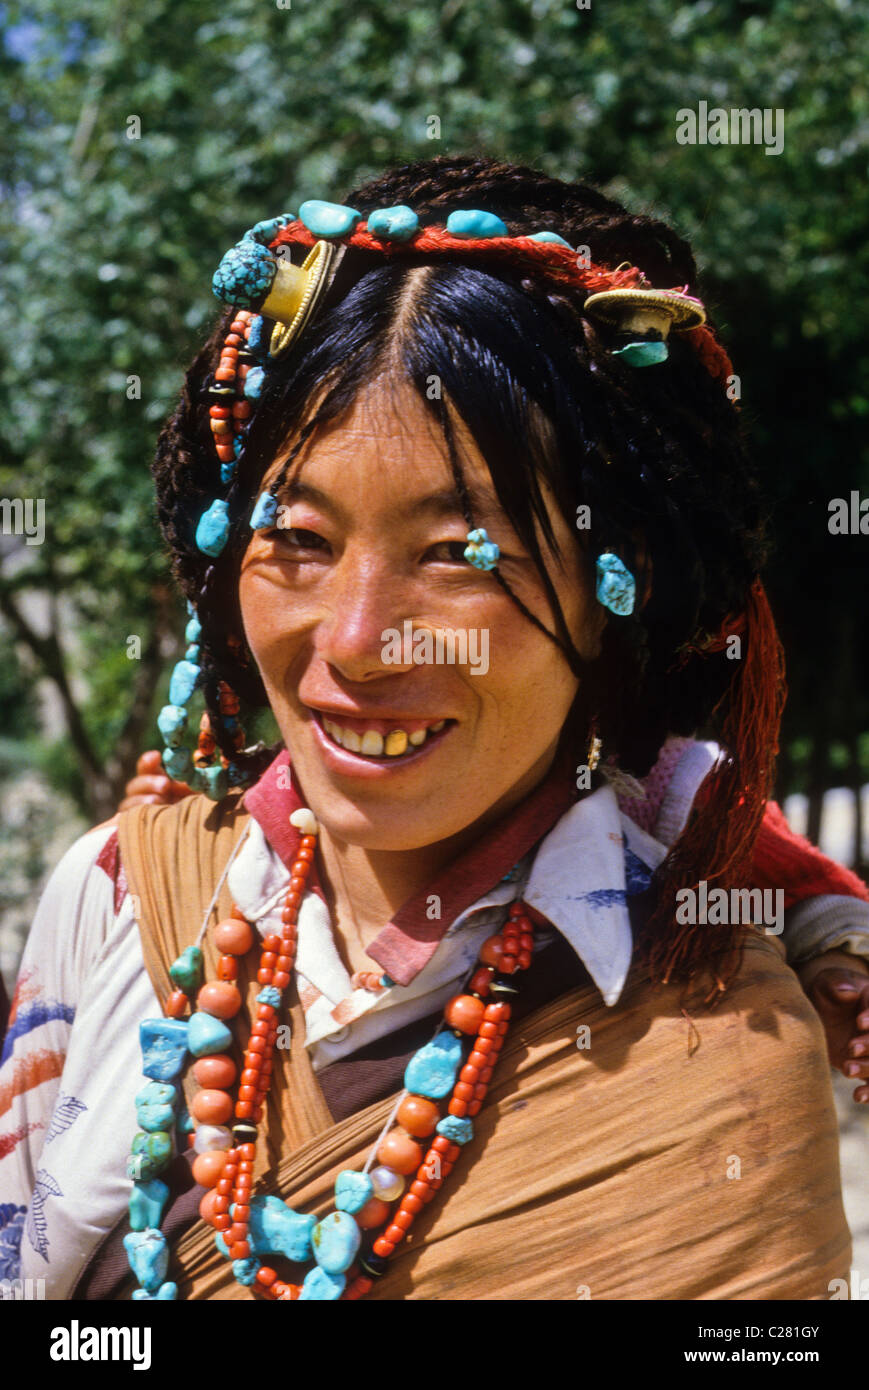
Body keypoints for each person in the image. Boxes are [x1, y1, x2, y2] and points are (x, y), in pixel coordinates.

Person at [2, 155, 869, 1302]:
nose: (358, 640)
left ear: (618, 585)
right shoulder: (118, 899)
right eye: (299, 541)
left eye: (462, 553)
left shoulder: (719, 1057)